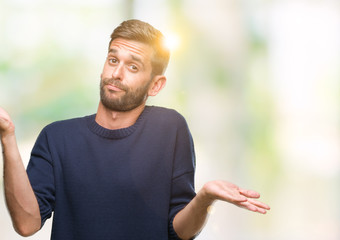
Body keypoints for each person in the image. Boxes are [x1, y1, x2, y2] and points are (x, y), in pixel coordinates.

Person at [0, 19, 270, 240]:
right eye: (113, 60)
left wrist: (204, 197)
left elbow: (180, 232)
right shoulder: (57, 137)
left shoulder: (169, 129)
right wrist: (8, 137)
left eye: (133, 66)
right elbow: (26, 224)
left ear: (156, 85)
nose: (117, 73)